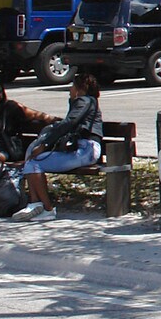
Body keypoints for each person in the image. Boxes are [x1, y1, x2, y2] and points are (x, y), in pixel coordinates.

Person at [12, 70, 105, 222]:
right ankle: (35, 204)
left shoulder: (84, 101)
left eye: (72, 86)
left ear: (80, 88)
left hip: (86, 149)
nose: (70, 90)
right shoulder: (86, 102)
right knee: (32, 162)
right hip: (84, 149)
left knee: (35, 162)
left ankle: (47, 209)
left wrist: (45, 144)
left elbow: (69, 123)